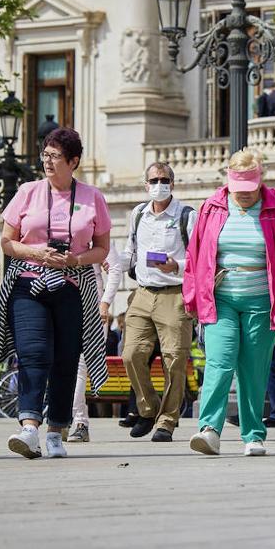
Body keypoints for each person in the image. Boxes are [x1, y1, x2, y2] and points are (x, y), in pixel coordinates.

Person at [0, 128, 111, 459]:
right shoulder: (27, 191)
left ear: (74, 162)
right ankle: (29, 428)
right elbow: (6, 242)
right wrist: (38, 253)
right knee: (33, 353)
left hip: (73, 285)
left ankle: (56, 429)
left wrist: (76, 259)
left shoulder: (92, 197)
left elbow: (102, 249)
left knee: (66, 359)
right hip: (29, 281)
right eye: (45, 155)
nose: (48, 162)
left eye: (55, 156)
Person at [183, 149, 275, 457]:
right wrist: (191, 296)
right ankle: (209, 429)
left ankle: (253, 434)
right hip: (220, 299)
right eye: (239, 191)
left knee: (254, 369)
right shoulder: (211, 207)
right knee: (219, 362)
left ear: (260, 180)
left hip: (261, 301)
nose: (244, 196)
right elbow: (194, 255)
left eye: (250, 190)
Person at [101, 162, 196, 442]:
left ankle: (167, 420)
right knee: (131, 354)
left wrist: (175, 266)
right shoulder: (138, 213)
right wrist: (113, 262)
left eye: (164, 179)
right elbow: (131, 250)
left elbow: (199, 258)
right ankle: (148, 408)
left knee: (175, 360)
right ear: (145, 185)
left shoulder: (187, 215)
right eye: (153, 180)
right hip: (142, 292)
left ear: (172, 184)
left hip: (174, 293)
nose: (159, 184)